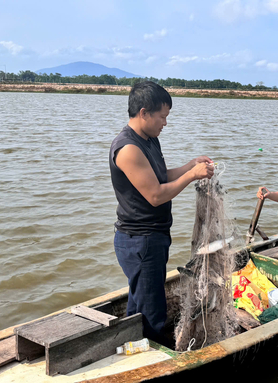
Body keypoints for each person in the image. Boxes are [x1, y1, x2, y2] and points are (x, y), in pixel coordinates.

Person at [109, 81, 214, 341]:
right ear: (144, 113)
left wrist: (190, 166)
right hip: (139, 240)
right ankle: (152, 357)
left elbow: (160, 176)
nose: (165, 123)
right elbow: (155, 195)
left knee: (140, 303)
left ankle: (129, 345)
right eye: (162, 117)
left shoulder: (149, 140)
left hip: (153, 236)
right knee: (152, 310)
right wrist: (192, 175)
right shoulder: (128, 148)